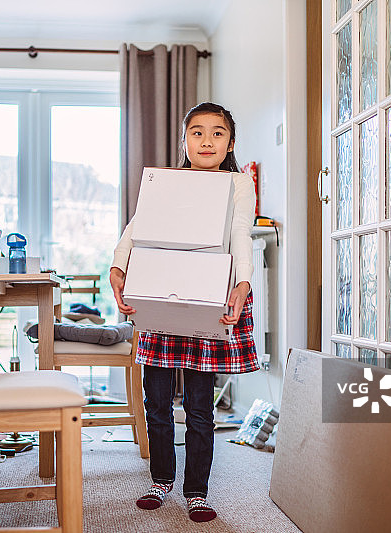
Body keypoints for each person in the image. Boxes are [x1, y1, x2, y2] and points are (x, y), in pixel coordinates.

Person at [109, 102, 259, 523]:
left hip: (207, 297)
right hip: (160, 296)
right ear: (185, 140)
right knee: (155, 401)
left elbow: (240, 234)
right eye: (197, 132)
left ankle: (196, 490)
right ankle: (160, 480)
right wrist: (119, 265)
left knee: (198, 406)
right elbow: (135, 228)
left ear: (230, 142)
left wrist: (243, 282)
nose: (207, 140)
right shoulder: (166, 182)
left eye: (217, 132)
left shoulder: (238, 183)